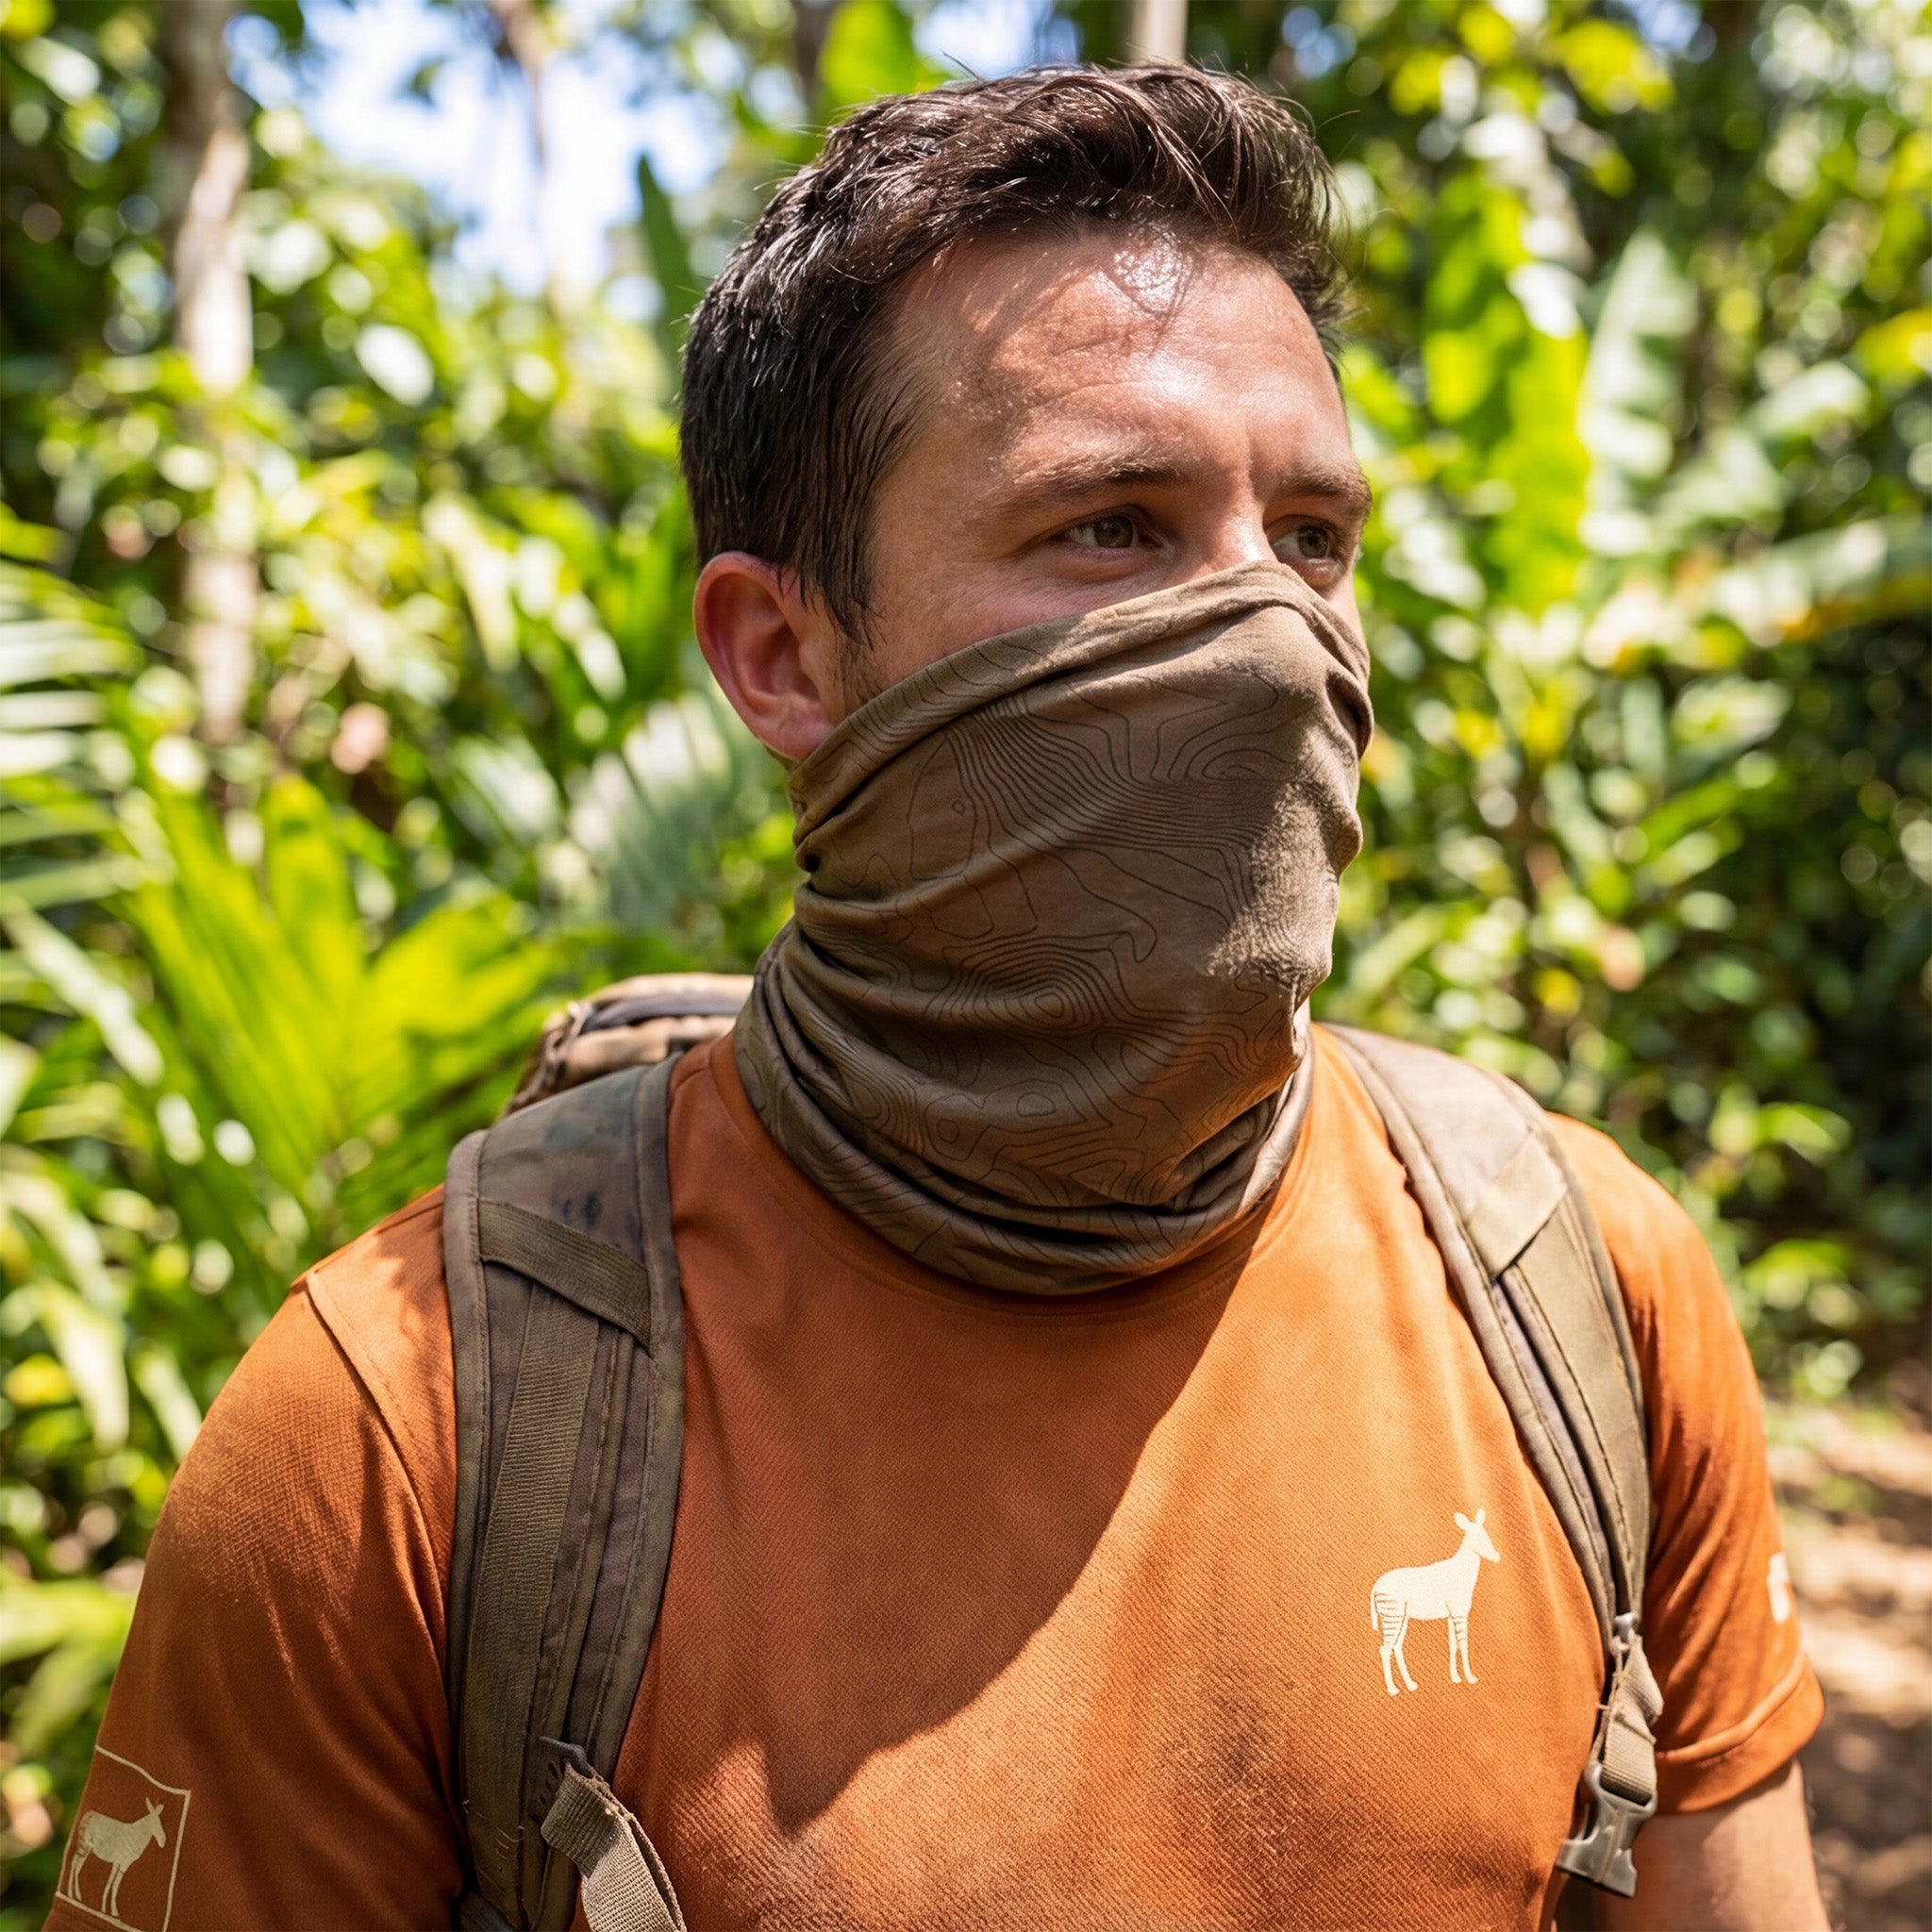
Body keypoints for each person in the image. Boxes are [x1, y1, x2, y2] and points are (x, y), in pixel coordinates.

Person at [50, 66, 1826, 1932]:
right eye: (1113, 527)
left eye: (1311, 537)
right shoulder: (404, 1432)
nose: (1272, 636)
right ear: (780, 652)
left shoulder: (1578, 1288)